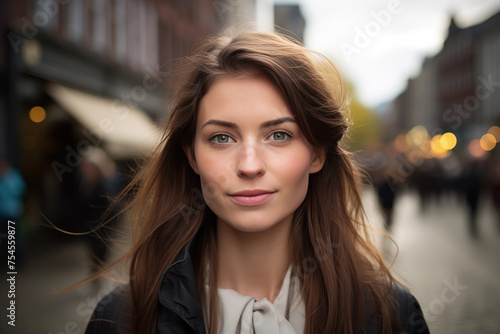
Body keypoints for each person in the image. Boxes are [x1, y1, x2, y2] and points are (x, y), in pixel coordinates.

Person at [85, 31, 429, 334]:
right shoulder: (120, 320)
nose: (249, 166)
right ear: (191, 156)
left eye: (278, 135)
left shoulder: (390, 317)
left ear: (317, 154)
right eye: (221, 138)